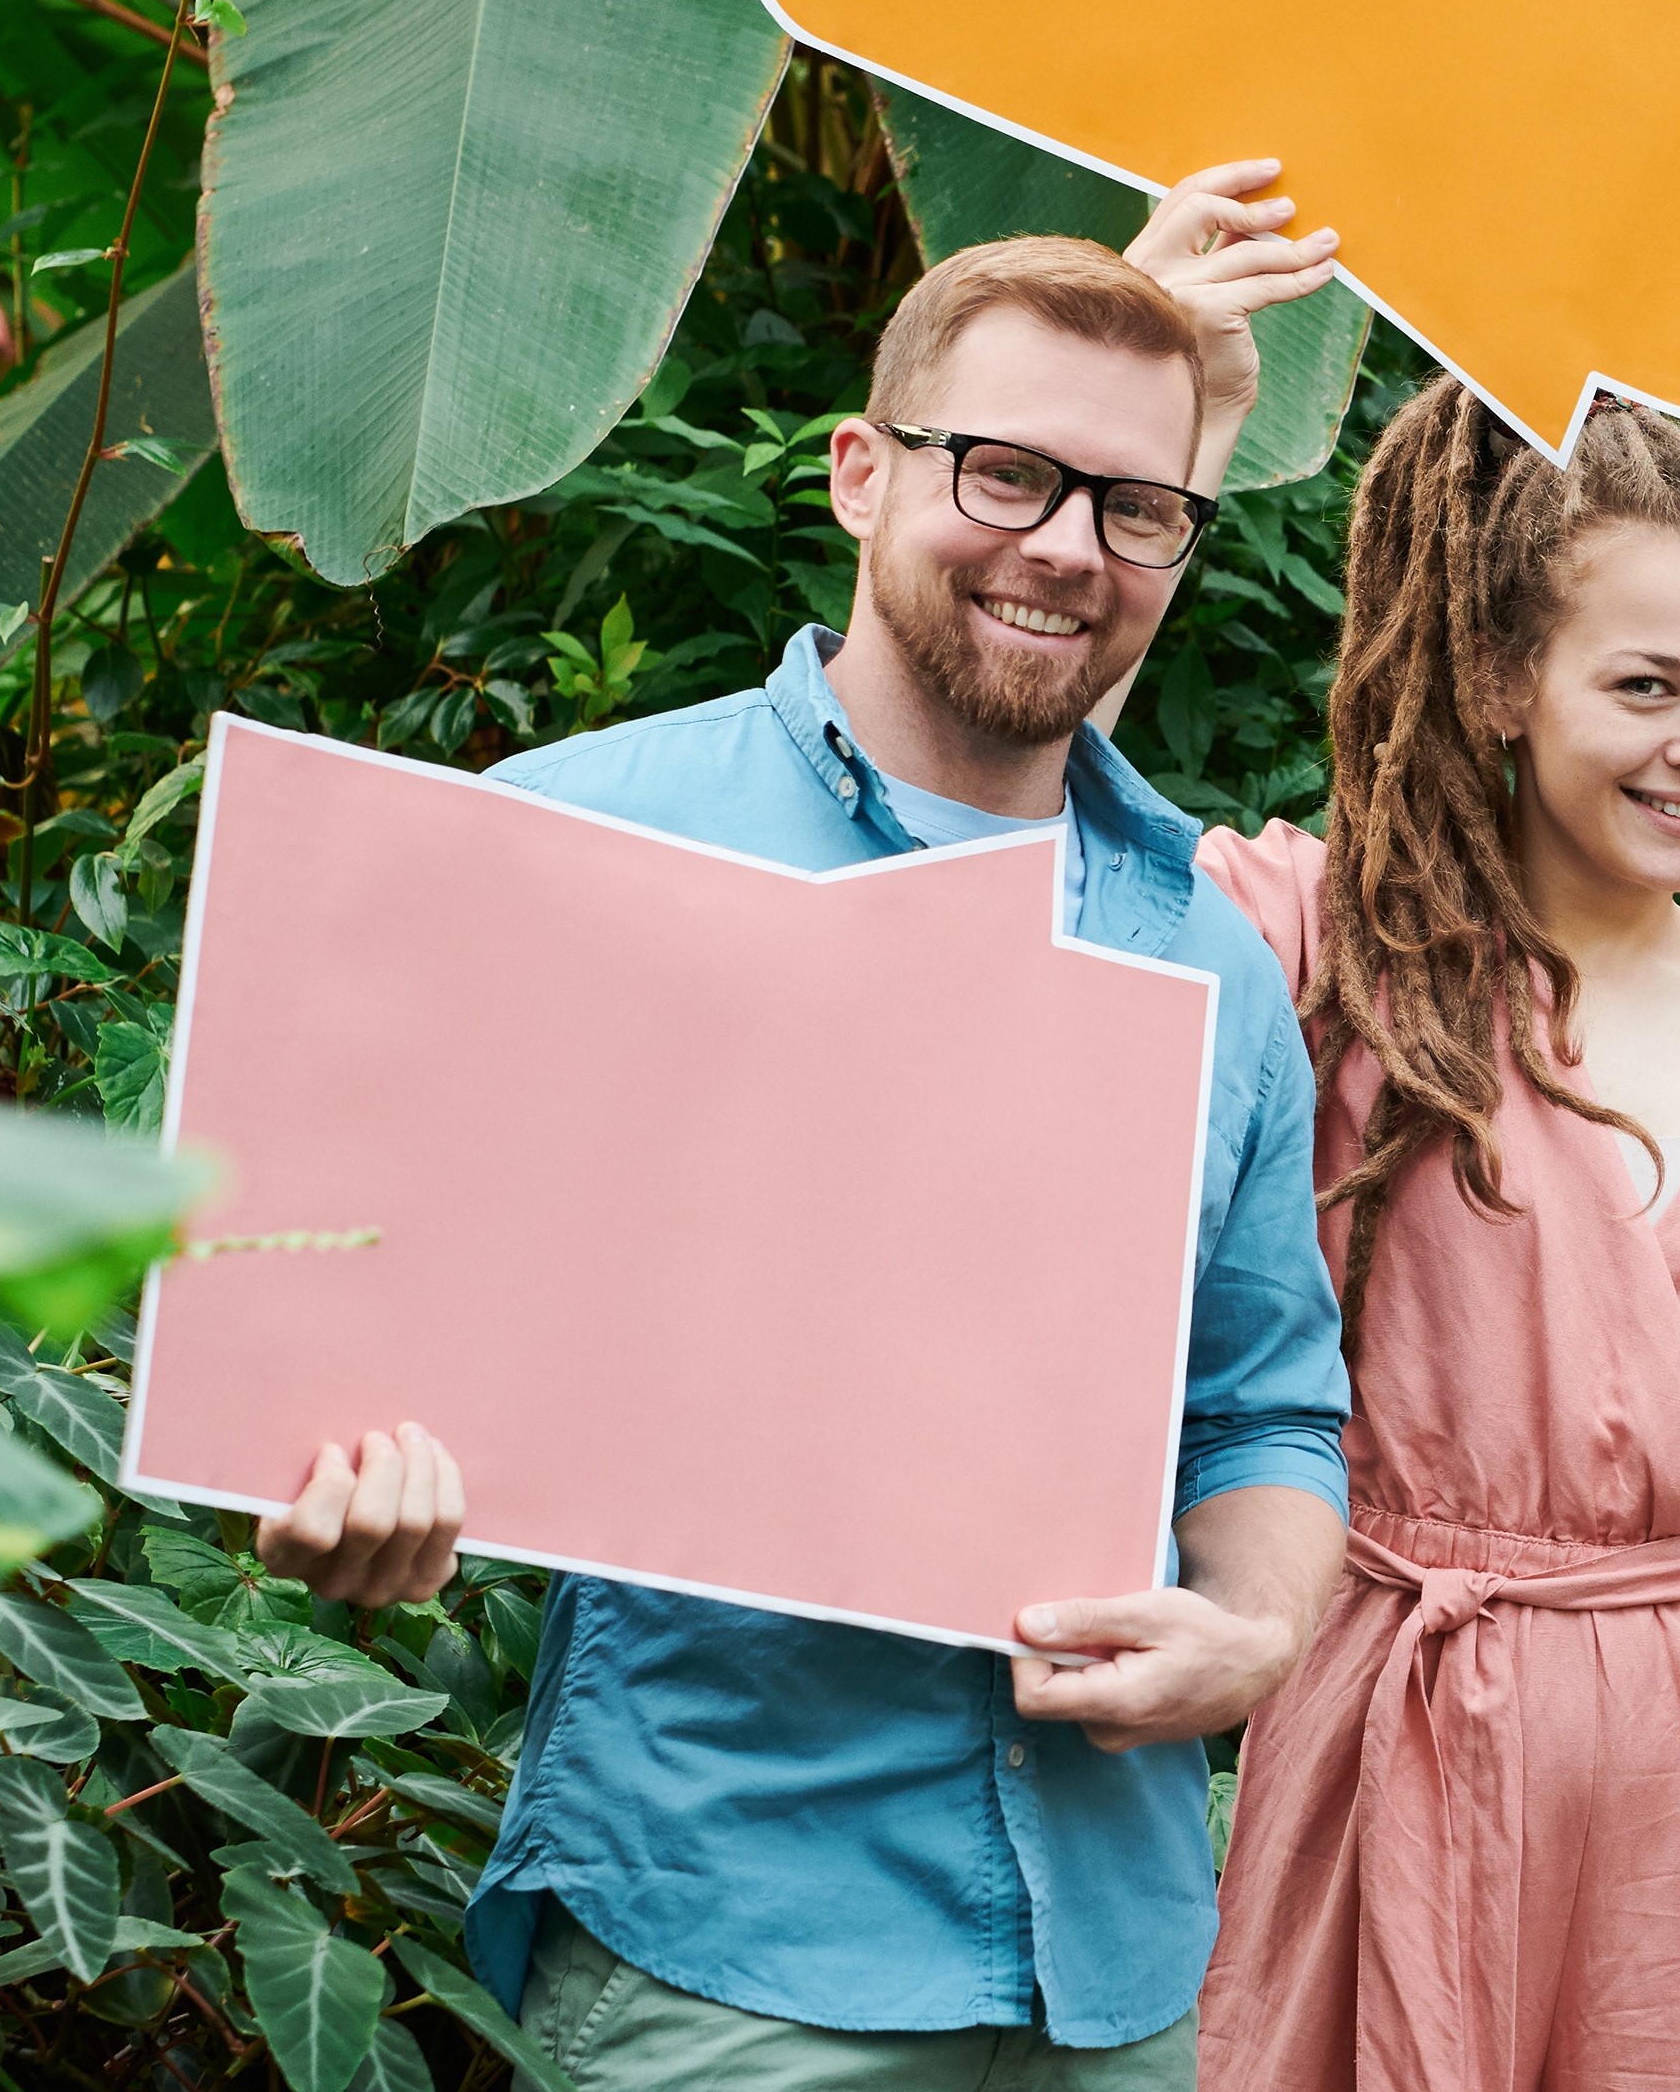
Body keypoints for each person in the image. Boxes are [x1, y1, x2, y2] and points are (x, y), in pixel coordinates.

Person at [252, 173, 1362, 2090]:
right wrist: (342, 1489)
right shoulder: (576, 847)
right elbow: (338, 1317)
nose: (1067, 549)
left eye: (1136, 506)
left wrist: (1255, 1637)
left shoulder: (1209, 946)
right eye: (1004, 474)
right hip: (731, 1960)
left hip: (1118, 1968)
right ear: (862, 472)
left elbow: (1267, 1406)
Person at [1188, 375, 1680, 2092]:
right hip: (1395, 1714)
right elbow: (1046, 867)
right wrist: (1177, 409)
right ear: (1498, 676)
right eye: (1647, 687)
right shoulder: (1327, 961)